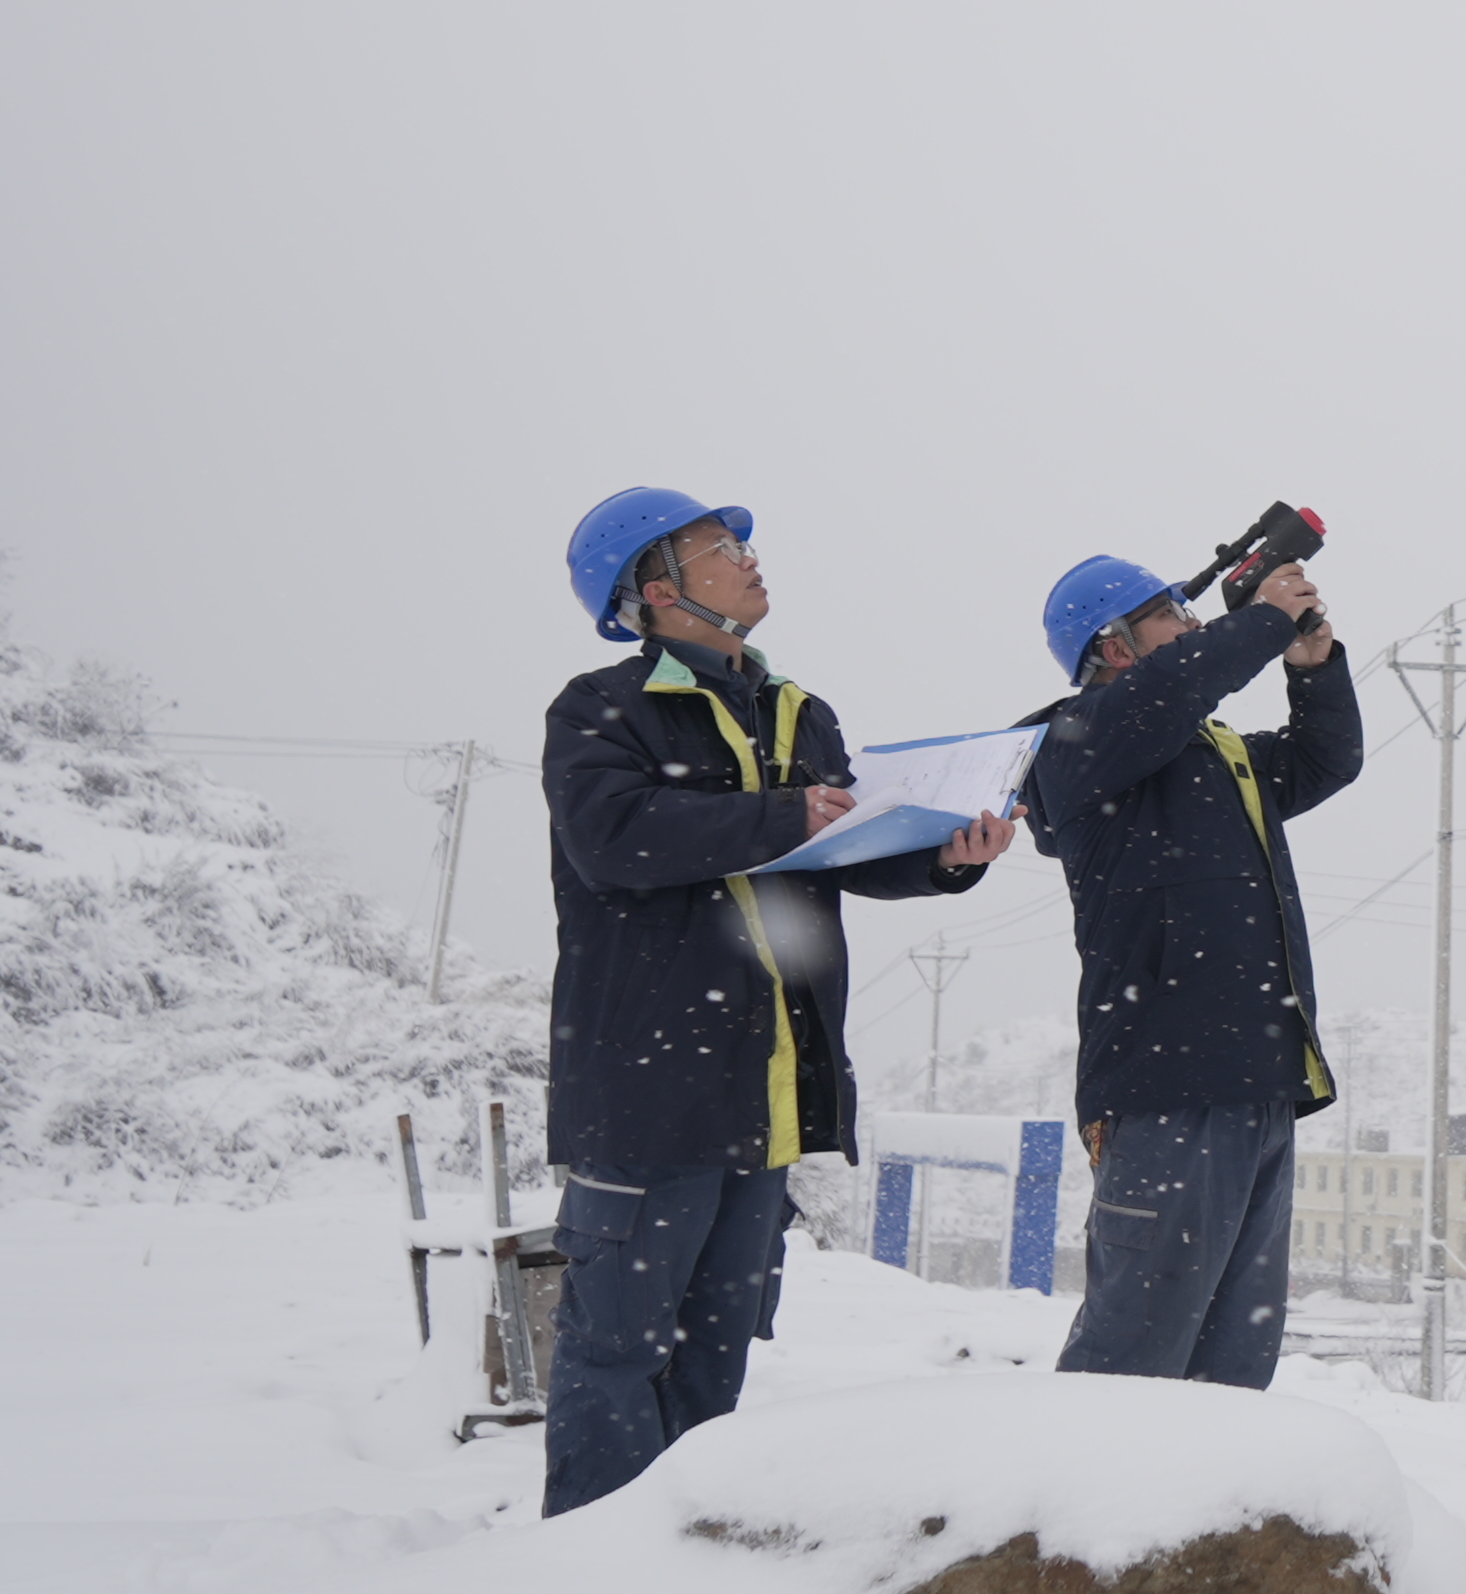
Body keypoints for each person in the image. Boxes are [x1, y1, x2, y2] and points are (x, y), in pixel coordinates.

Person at [538, 486, 1013, 1516]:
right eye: (721, 545)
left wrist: (943, 855)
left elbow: (839, 854)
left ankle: (687, 1556)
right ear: (655, 588)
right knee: (617, 1352)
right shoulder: (600, 710)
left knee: (713, 1359)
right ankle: (587, 1564)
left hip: (768, 1097)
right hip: (650, 1091)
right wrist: (780, 810)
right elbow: (616, 837)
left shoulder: (801, 710)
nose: (750, 557)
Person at [1022, 548, 1363, 1385]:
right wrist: (1266, 619)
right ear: (1112, 646)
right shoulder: (1075, 743)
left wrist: (1312, 664)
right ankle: (1084, 1509)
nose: (1194, 623)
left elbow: (1327, 762)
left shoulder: (1216, 757)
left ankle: (1203, 1514)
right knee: (1134, 1350)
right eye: (1170, 611)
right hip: (1164, 1086)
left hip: (1258, 1079)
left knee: (1232, 1362)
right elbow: (1174, 689)